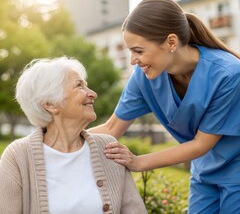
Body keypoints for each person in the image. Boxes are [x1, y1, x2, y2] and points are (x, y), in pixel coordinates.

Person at [88, 0, 240, 214]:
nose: (132, 60)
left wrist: (137, 162)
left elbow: (200, 144)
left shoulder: (229, 74)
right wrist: (49, 141)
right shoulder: (143, 78)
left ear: (171, 42)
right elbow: (112, 128)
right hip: (204, 172)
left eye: (138, 51)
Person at [0, 57, 147, 214]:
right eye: (79, 86)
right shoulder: (18, 156)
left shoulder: (108, 149)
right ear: (50, 104)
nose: (93, 94)